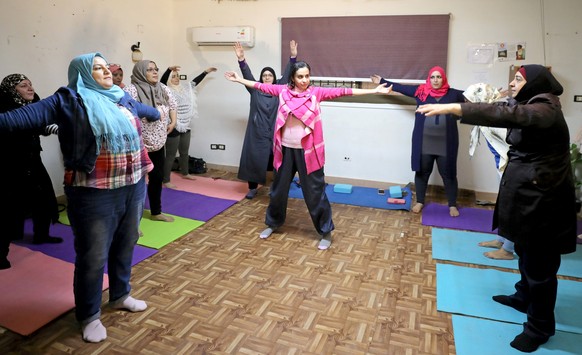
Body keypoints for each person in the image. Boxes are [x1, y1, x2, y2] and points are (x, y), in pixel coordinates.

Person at [0, 53, 162, 342]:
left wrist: (160, 113)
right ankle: (89, 316)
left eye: (105, 66)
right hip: (94, 192)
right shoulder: (68, 99)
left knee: (126, 244)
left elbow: (144, 111)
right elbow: (17, 118)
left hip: (133, 185)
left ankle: (120, 295)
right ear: (82, 73)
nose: (105, 71)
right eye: (96, 68)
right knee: (93, 256)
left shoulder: (119, 97)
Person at [416, 65, 577, 353]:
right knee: (526, 253)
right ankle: (523, 296)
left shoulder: (545, 109)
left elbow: (508, 114)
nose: (512, 84)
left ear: (535, 83)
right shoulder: (530, 102)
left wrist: (457, 108)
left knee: (540, 267)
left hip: (545, 203)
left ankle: (539, 328)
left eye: (518, 79)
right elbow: (503, 106)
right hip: (530, 196)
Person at [225, 61, 392, 250]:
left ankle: (325, 230)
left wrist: (374, 91)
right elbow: (259, 86)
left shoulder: (315, 93)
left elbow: (345, 91)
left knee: (315, 192)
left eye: (307, 76)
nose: (304, 80)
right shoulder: (283, 92)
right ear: (293, 78)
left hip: (308, 152)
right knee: (278, 190)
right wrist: (239, 79)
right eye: (300, 76)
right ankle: (273, 223)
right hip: (286, 150)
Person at [372, 67, 465, 216]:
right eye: (433, 77)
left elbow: (474, 96)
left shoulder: (453, 94)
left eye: (439, 77)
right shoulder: (421, 92)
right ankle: (420, 201)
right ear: (429, 78)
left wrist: (494, 96)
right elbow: (401, 88)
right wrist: (382, 81)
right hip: (424, 144)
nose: (435, 80)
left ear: (443, 78)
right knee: (422, 173)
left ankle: (452, 205)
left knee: (449, 175)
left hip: (446, 145)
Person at [0, 74, 62, 270]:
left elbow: (41, 124)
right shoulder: (4, 107)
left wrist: (58, 129)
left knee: (44, 198)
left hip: (33, 158)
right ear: (12, 90)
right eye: (23, 86)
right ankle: (2, 253)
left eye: (30, 84)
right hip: (10, 162)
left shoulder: (34, 103)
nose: (30, 88)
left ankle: (41, 235)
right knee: (9, 207)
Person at [234, 40, 297, 199]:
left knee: (277, 160)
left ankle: (276, 187)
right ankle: (252, 188)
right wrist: (241, 60)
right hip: (257, 132)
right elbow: (247, 76)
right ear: (261, 79)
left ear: (274, 78)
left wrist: (293, 57)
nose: (267, 77)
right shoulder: (255, 90)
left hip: (276, 131)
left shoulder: (280, 90)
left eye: (270, 75)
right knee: (254, 159)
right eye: (264, 75)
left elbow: (288, 73)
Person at [464, 83, 515, 260]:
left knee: (511, 207)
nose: (467, 104)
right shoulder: (486, 116)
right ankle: (501, 240)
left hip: (513, 169)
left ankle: (508, 250)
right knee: (504, 205)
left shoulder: (494, 118)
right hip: (503, 166)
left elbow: (511, 145)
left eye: (470, 101)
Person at [124, 60, 177, 222]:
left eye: (156, 69)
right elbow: (126, 113)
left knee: (157, 177)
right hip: (138, 144)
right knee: (136, 184)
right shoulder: (131, 90)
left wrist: (173, 122)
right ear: (140, 72)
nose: (155, 72)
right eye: (150, 70)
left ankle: (156, 212)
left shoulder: (162, 88)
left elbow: (173, 104)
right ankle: (132, 222)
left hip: (158, 142)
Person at [160, 65, 217, 187]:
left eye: (178, 76)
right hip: (173, 124)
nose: (176, 78)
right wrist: (169, 70)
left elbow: (194, 82)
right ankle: (166, 180)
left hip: (186, 124)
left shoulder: (185, 88)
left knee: (184, 152)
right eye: (173, 77)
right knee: (170, 155)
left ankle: (185, 172)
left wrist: (205, 72)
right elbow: (162, 81)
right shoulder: (165, 90)